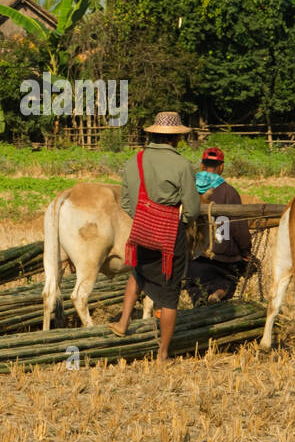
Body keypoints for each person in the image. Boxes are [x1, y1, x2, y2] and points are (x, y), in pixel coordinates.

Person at [108, 111, 200, 361]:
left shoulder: (134, 160)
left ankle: (123, 323)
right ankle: (162, 354)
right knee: (170, 294)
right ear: (175, 139)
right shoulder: (182, 165)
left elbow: (127, 202)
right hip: (170, 237)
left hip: (141, 229)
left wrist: (146, 217)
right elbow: (192, 209)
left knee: (137, 271)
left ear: (154, 135)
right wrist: (173, 220)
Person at [186, 146, 252, 304]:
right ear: (221, 167)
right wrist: (246, 251)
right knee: (228, 281)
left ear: (202, 165)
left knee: (196, 287)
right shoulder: (229, 192)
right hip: (223, 258)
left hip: (195, 257)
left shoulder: (188, 189)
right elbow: (239, 228)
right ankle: (219, 293)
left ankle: (200, 300)